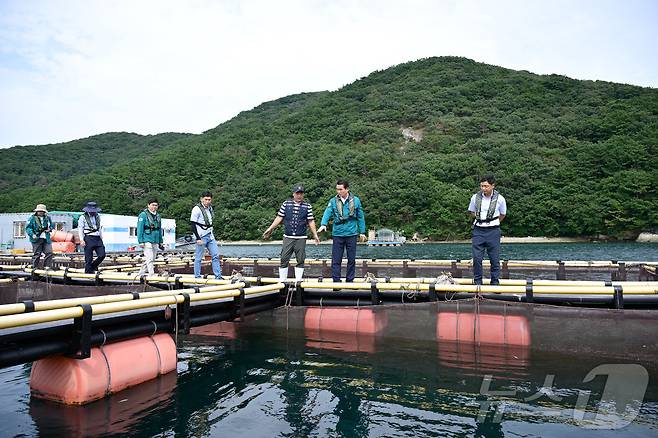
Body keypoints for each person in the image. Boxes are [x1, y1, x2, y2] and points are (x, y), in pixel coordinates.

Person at [263, 184, 321, 282]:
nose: (299, 196)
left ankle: (298, 281)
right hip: (288, 236)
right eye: (297, 193)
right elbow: (279, 217)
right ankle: (282, 281)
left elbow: (311, 221)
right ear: (293, 194)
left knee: (301, 259)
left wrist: (315, 235)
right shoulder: (286, 204)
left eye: (301, 194)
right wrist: (270, 228)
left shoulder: (307, 206)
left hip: (301, 237)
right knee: (284, 258)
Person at [318, 179, 367, 283]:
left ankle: (350, 280)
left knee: (351, 259)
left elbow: (360, 217)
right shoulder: (333, 201)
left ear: (347, 189)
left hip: (351, 233)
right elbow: (327, 212)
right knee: (336, 259)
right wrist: (323, 224)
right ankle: (336, 281)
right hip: (338, 233)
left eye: (340, 189)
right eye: (337, 189)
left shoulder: (356, 200)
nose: (338, 191)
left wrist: (362, 232)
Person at [468, 175, 507, 285]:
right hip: (478, 230)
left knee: (494, 258)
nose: (483, 188)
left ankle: (495, 281)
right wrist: (480, 218)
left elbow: (503, 214)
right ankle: (477, 282)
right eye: (481, 186)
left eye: (486, 186)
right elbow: (471, 211)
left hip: (493, 230)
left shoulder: (500, 199)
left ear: (492, 186)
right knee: (477, 258)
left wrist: (493, 222)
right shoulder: (475, 197)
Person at [190, 191, 222, 279]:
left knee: (215, 255)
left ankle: (218, 276)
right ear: (202, 199)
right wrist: (197, 238)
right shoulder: (196, 209)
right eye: (206, 199)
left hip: (210, 235)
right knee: (199, 257)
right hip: (201, 235)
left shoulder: (210, 208)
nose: (208, 201)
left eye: (209, 199)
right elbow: (193, 224)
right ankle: (197, 276)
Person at [137, 198, 164, 276]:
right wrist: (140, 241)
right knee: (149, 258)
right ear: (148, 205)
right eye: (152, 205)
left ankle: (140, 273)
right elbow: (140, 228)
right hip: (147, 239)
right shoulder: (143, 215)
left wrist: (160, 241)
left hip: (155, 240)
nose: (154, 207)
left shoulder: (158, 216)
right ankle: (151, 274)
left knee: (153, 258)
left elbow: (159, 229)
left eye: (156, 205)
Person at [78, 201, 106, 274]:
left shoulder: (98, 216)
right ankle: (88, 272)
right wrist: (81, 240)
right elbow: (80, 228)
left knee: (102, 255)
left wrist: (101, 237)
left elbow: (99, 227)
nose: (93, 212)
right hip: (88, 238)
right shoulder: (82, 217)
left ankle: (93, 267)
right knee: (88, 258)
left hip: (97, 238)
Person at [25, 204, 54, 270]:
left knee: (49, 252)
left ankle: (47, 266)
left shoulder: (47, 218)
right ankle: (34, 267)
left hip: (46, 238)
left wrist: (50, 229)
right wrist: (32, 234)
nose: (40, 212)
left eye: (42, 211)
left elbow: (51, 226)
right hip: (36, 238)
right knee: (37, 253)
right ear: (37, 211)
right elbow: (28, 228)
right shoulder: (32, 218)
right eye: (39, 211)